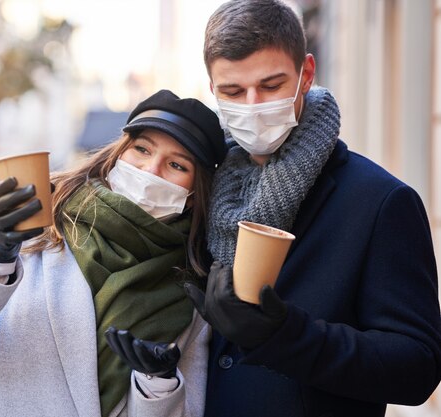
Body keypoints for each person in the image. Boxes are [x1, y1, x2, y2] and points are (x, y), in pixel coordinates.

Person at [183, 1, 441, 416]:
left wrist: (285, 336)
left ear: (306, 73)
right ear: (212, 89)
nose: (252, 105)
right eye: (233, 91)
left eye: (271, 85)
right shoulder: (203, 187)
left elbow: (417, 366)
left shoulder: (381, 202)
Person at [0, 89, 227, 417]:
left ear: (192, 193)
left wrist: (159, 385)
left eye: (176, 164)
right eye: (142, 149)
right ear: (119, 154)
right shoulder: (40, 215)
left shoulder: (191, 286)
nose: (150, 169)